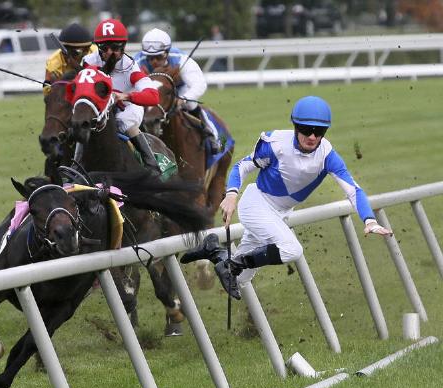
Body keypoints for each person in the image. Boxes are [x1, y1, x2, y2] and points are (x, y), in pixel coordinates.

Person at [180, 96, 393, 299]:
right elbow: (241, 166)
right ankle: (227, 262)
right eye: (306, 130)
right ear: (295, 126)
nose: (312, 137)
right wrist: (232, 194)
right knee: (292, 249)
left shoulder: (328, 155)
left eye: (319, 131)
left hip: (280, 213)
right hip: (256, 204)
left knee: (240, 278)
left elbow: (354, 190)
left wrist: (370, 220)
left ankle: (215, 251)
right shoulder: (275, 143)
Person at [82, 18, 161, 173]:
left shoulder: (131, 68)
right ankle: (75, 162)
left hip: (127, 108)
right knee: (81, 121)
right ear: (98, 47)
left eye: (116, 47)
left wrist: (125, 96)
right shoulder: (88, 62)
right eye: (105, 47)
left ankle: (151, 164)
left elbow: (153, 96)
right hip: (100, 109)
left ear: (123, 47)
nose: (111, 52)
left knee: (122, 122)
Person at [133, 28, 221, 153]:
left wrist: (182, 99)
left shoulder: (181, 59)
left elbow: (199, 84)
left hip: (178, 90)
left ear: (167, 52)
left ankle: (211, 133)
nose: (154, 62)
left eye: (158, 57)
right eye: (150, 58)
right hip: (150, 91)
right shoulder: (136, 62)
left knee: (190, 103)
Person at [43, 23, 97, 95]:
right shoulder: (53, 62)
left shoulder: (96, 53)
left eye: (87, 49)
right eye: (79, 52)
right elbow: (48, 93)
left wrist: (76, 66)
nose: (85, 53)